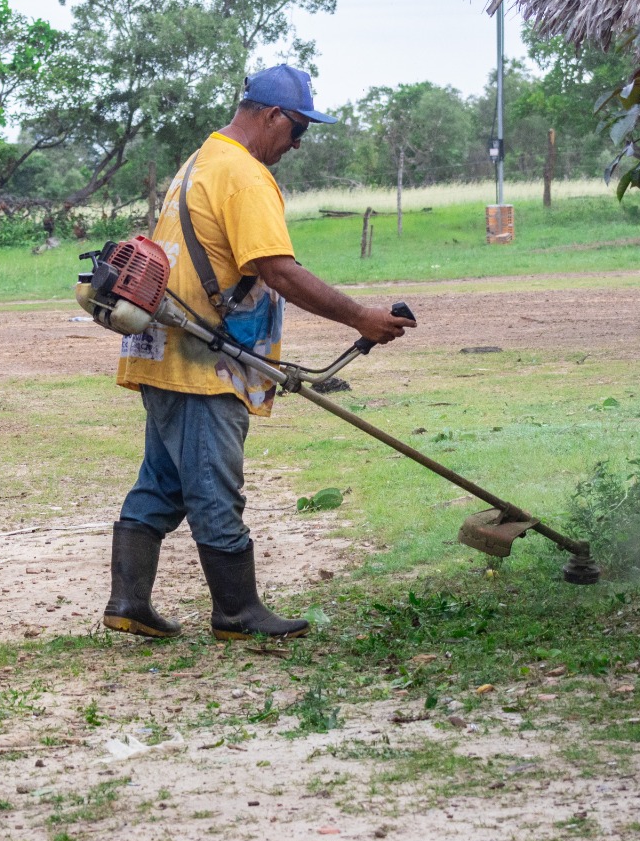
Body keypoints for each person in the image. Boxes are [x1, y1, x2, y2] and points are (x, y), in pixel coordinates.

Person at [105, 64, 416, 640]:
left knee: (165, 480)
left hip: (166, 351)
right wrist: (362, 318)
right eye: (297, 129)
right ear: (272, 115)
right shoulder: (243, 175)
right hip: (204, 361)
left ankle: (129, 602)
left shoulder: (203, 159)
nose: (298, 144)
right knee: (213, 483)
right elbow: (277, 269)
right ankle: (237, 613)